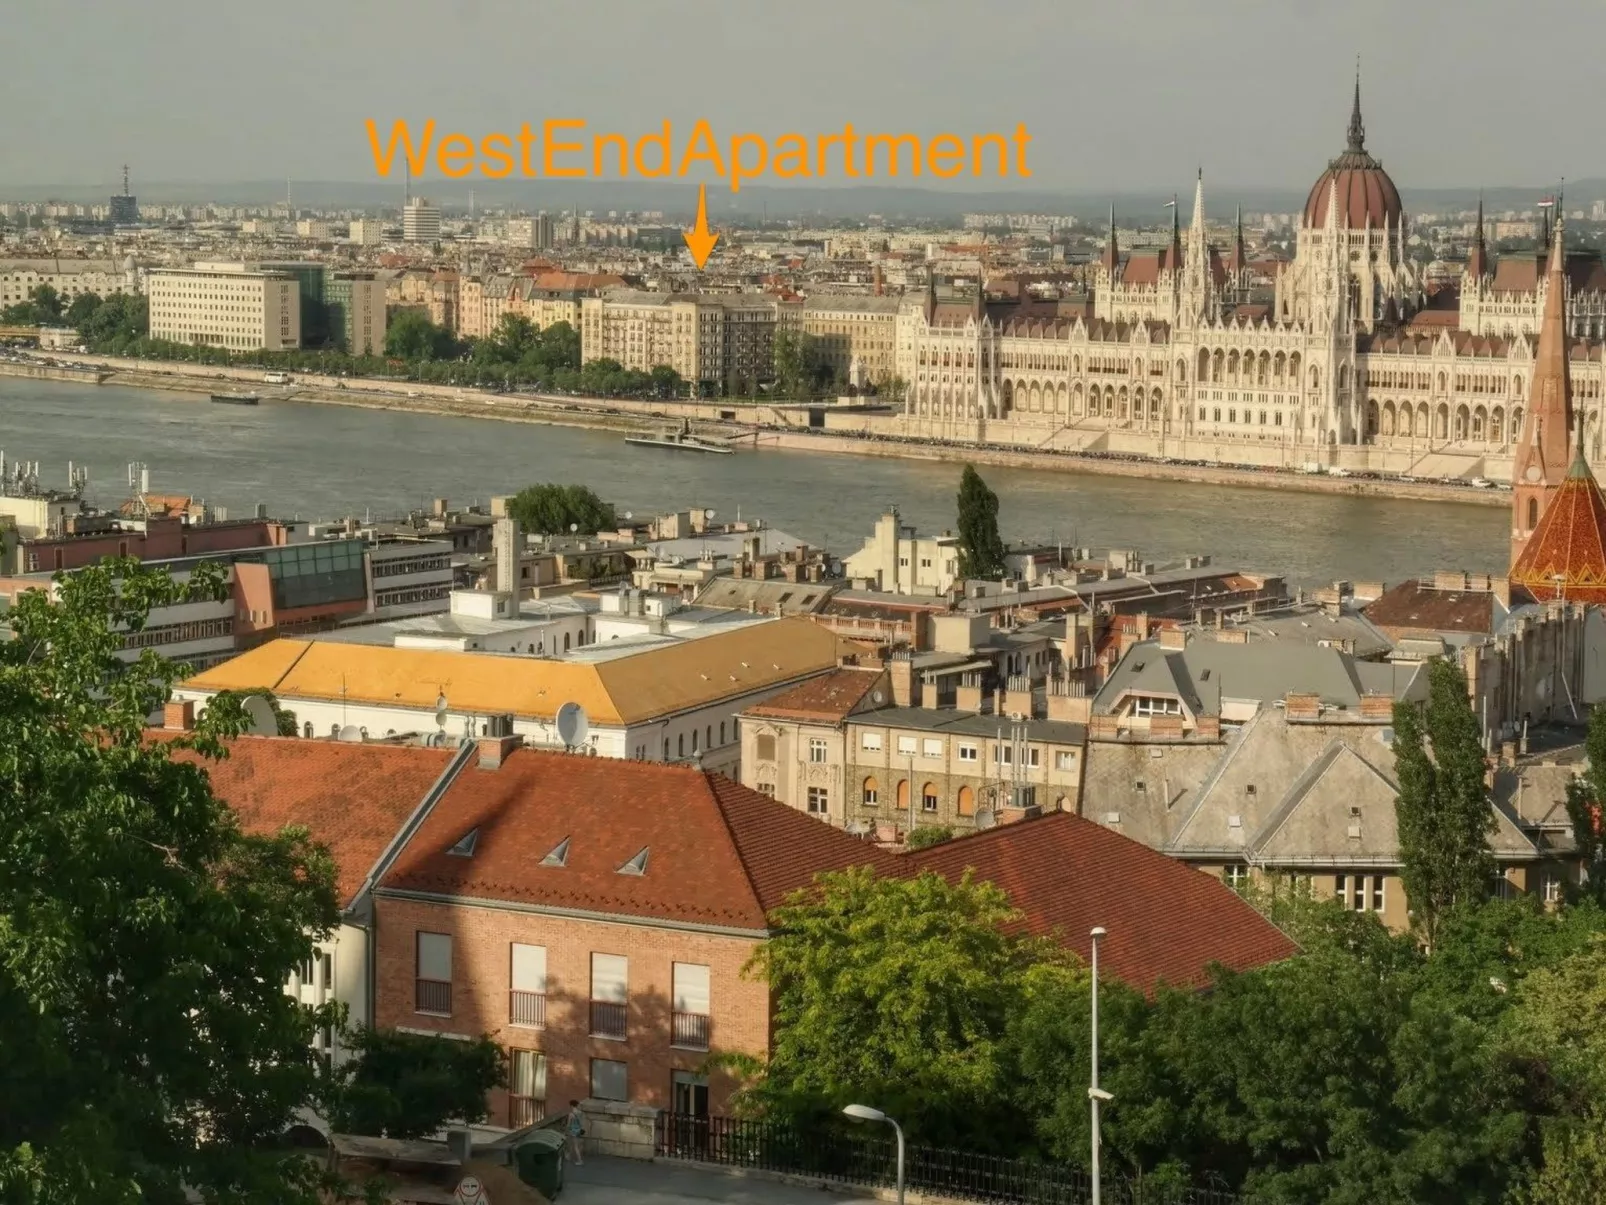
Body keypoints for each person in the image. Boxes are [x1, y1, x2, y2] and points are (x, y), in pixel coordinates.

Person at [565, 1099, 586, 1165]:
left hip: (573, 1131)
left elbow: (568, 1124)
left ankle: (580, 1161)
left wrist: (566, 1130)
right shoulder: (580, 1113)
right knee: (573, 1144)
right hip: (578, 1130)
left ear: (571, 1106)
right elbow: (582, 1122)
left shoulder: (571, 1114)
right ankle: (569, 1156)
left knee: (575, 1146)